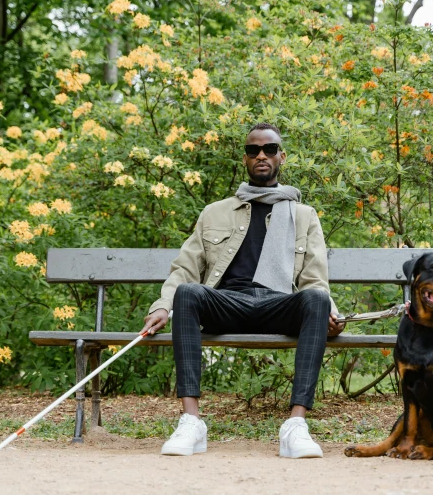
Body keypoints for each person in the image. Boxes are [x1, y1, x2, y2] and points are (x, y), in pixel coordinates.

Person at [141, 122, 343, 458]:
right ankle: (191, 421)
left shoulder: (304, 216)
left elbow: (314, 281)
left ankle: (295, 425)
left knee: (317, 299)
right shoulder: (215, 213)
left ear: (282, 156)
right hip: (228, 306)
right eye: (253, 150)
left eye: (269, 149)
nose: (261, 155)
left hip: (279, 307)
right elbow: (185, 268)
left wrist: (329, 313)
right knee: (188, 292)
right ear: (245, 159)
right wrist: (162, 306)